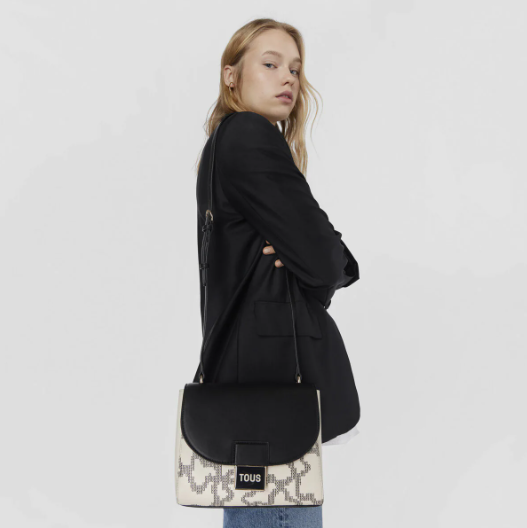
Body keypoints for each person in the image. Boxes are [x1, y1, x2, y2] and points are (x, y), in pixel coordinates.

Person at [193, 18, 361, 528]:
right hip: (275, 389)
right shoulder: (248, 134)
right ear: (231, 76)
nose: (287, 77)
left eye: (294, 68)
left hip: (250, 388)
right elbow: (326, 258)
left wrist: (308, 259)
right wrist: (321, 266)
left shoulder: (221, 146)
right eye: (270, 64)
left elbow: (311, 254)